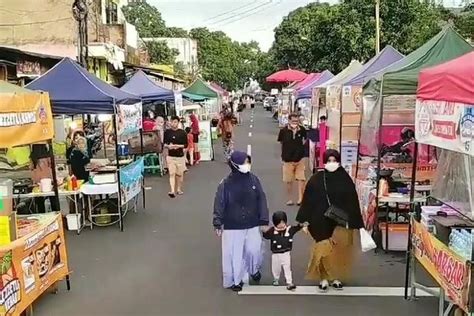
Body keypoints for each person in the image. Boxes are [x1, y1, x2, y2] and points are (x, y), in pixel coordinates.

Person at [296, 149, 364, 292]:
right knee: (322, 249)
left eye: (335, 161)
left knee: (339, 251)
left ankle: (336, 277)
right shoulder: (316, 179)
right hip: (319, 221)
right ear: (324, 161)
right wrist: (304, 220)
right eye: (329, 161)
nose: (332, 163)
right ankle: (323, 278)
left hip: (340, 221)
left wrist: (356, 222)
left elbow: (352, 201)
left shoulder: (345, 179)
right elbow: (307, 201)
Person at [213, 151, 269, 292]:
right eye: (244, 162)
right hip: (233, 224)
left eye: (248, 162)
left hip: (253, 223)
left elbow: (261, 199)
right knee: (234, 254)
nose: (247, 165)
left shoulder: (254, 180)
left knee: (253, 249)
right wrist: (217, 222)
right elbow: (219, 203)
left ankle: (254, 269)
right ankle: (236, 281)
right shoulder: (225, 184)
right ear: (235, 165)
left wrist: (264, 220)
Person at [262, 211, 302, 290]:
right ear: (275, 223)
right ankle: (276, 278)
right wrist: (264, 231)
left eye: (283, 222)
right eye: (279, 223)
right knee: (276, 268)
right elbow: (266, 236)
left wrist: (301, 225)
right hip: (275, 254)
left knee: (287, 268)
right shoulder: (272, 230)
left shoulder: (289, 229)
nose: (281, 225)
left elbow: (296, 228)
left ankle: (289, 282)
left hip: (286, 253)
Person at [277, 113, 307, 206]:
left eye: (297, 121)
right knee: (289, 180)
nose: (295, 123)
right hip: (288, 159)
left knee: (301, 179)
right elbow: (281, 142)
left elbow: (304, 140)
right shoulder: (283, 131)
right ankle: (289, 199)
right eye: (293, 121)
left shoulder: (302, 130)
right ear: (289, 121)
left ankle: (300, 199)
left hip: (300, 158)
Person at [163, 116, 188, 198]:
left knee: (179, 174)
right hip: (170, 156)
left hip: (180, 156)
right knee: (172, 173)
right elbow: (164, 144)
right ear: (170, 122)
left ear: (178, 123)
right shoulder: (167, 132)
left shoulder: (183, 133)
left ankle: (179, 189)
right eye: (172, 122)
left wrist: (178, 146)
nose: (174, 124)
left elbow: (186, 145)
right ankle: (172, 190)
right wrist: (168, 146)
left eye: (175, 122)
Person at [30, 144, 59, 213]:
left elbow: (31, 169)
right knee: (53, 201)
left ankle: (41, 218)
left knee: (40, 203)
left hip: (38, 182)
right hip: (49, 180)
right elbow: (53, 166)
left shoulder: (32, 158)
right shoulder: (48, 156)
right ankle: (56, 215)